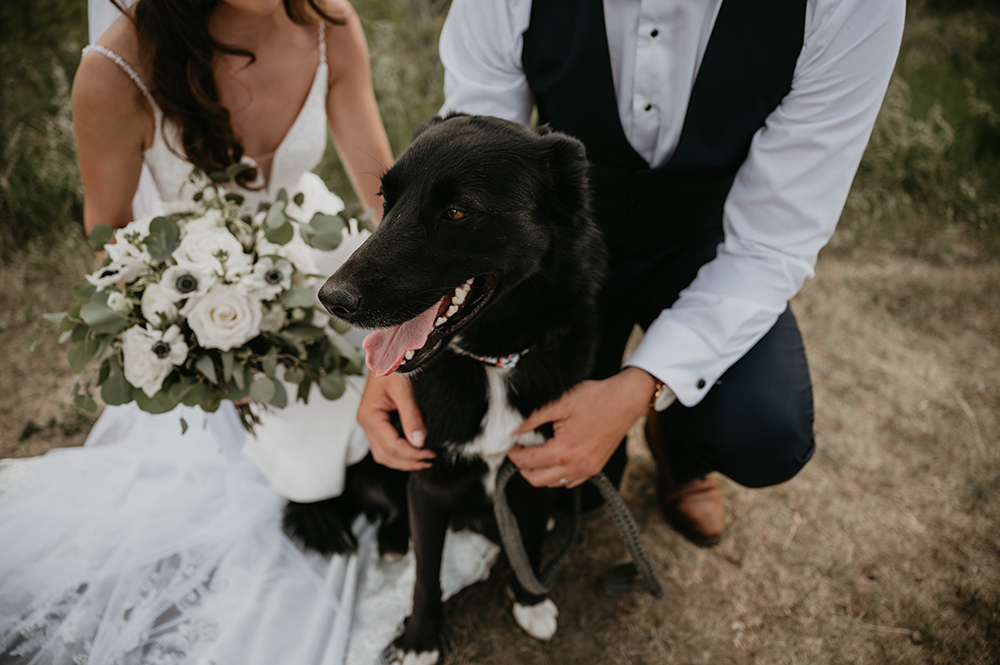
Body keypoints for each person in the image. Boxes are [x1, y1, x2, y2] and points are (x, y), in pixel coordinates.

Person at [0, 2, 499, 663]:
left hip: (317, 249)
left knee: (408, 372)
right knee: (296, 437)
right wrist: (200, 338)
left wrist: (406, 306)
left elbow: (385, 197)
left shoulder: (327, 22)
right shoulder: (114, 70)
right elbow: (109, 236)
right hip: (202, 288)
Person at [359, 0, 905, 547]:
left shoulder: (851, 7)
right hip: (567, 254)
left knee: (761, 430)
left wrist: (646, 383)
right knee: (577, 491)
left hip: (709, 246)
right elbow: (473, 147)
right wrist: (402, 339)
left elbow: (772, 242)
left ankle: (681, 445)